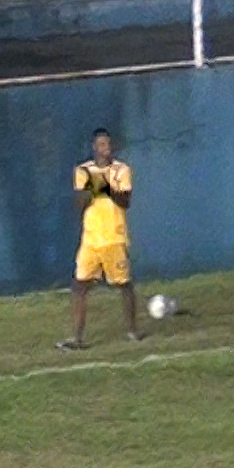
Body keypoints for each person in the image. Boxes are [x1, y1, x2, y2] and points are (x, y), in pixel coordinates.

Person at [58, 128, 141, 350]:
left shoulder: (122, 170)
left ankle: (132, 331)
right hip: (91, 239)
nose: (106, 149)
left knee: (123, 284)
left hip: (114, 236)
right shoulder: (83, 171)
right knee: (79, 286)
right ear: (95, 147)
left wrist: (106, 187)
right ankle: (77, 338)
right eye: (102, 145)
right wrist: (90, 190)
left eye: (109, 144)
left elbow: (125, 201)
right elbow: (79, 204)